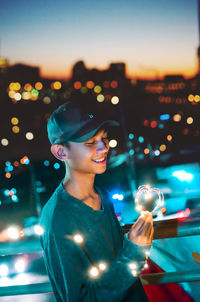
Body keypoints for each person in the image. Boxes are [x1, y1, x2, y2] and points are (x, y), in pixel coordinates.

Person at [40, 97, 154, 302]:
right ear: (61, 151)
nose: (103, 147)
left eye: (105, 138)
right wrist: (134, 251)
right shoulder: (58, 219)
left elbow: (114, 267)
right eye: (90, 142)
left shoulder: (102, 196)